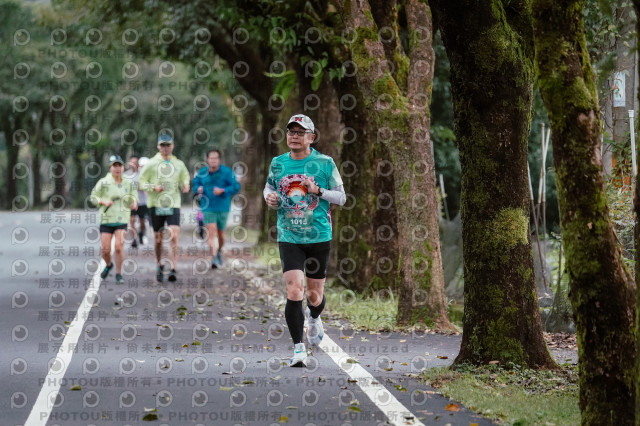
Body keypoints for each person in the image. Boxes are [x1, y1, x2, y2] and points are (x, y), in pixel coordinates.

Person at [263, 114, 346, 367]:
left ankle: (314, 317)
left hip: (319, 235)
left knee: (314, 295)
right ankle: (298, 348)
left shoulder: (325, 163)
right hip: (290, 235)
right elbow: (269, 187)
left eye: (301, 132)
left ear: (312, 137)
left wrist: (317, 191)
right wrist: (269, 197)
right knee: (294, 290)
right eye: (291, 132)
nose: (295, 136)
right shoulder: (278, 163)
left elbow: (341, 198)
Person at [139, 133, 190, 282]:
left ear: (173, 146)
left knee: (174, 234)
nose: (166, 148)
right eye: (163, 145)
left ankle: (173, 268)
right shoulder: (151, 163)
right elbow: (142, 183)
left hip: (173, 203)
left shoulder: (179, 164)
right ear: (158, 146)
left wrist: (185, 184)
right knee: (158, 238)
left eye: (168, 145)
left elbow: (185, 177)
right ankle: (160, 264)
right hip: (156, 204)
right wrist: (153, 187)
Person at [91, 154, 138, 284]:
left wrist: (134, 202)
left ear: (123, 167)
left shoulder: (128, 183)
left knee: (118, 247)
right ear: (110, 168)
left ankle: (118, 273)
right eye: (115, 166)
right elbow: (93, 197)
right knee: (105, 250)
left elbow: (134, 196)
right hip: (106, 219)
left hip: (122, 219)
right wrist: (103, 202)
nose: (117, 168)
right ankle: (108, 264)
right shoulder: (103, 182)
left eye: (120, 166)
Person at [193, 149, 241, 268]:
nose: (213, 160)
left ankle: (218, 251)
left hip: (223, 207)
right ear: (207, 159)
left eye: (215, 158)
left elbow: (236, 186)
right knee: (211, 231)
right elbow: (195, 184)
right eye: (211, 158)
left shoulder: (227, 172)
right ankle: (214, 257)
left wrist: (223, 190)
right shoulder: (202, 173)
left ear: (219, 160)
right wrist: (197, 189)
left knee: (221, 235)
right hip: (207, 206)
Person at [125, 154, 149, 248]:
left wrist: (143, 188)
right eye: (132, 162)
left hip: (142, 202)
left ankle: (141, 233)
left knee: (142, 222)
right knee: (132, 221)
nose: (133, 164)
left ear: (138, 164)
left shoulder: (143, 174)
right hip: (131, 203)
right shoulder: (126, 175)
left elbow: (147, 186)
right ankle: (134, 239)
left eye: (135, 162)